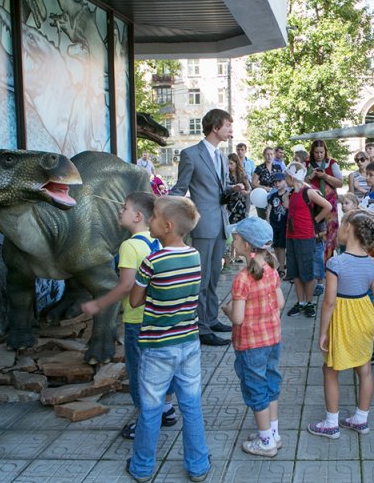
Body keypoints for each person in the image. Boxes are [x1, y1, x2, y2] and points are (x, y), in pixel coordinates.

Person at [80, 192, 178, 441]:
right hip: (161, 318)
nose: (119, 212)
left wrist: (98, 304)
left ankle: (146, 422)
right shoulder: (158, 241)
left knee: (140, 374)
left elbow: (125, 286)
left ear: (137, 216)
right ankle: (166, 409)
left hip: (138, 321)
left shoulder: (129, 245)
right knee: (163, 367)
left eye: (123, 208)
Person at [127, 196, 210, 482]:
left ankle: (141, 467)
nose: (148, 220)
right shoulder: (194, 255)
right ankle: (198, 465)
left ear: (167, 225)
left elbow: (135, 300)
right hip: (188, 342)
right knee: (191, 405)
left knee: (150, 408)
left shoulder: (152, 261)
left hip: (158, 346)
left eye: (153, 217)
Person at [307, 210, 374, 438]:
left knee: (330, 369)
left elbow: (329, 301)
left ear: (349, 228)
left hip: (341, 318)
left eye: (340, 224)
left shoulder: (336, 262)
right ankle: (361, 419)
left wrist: (323, 332)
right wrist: (369, 315)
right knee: (364, 368)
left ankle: (331, 423)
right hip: (363, 316)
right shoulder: (372, 263)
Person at [169, 108, 235, 346]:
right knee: (202, 277)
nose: (231, 130)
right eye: (228, 125)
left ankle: (210, 318)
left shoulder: (220, 156)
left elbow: (221, 190)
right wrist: (159, 204)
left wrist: (234, 191)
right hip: (203, 224)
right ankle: (201, 328)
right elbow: (180, 187)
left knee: (214, 276)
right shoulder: (190, 154)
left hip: (220, 223)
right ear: (215, 127)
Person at [221, 217, 284, 458]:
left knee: (256, 388)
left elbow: (237, 318)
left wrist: (227, 309)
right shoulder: (270, 270)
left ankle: (265, 441)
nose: (233, 241)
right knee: (271, 383)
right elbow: (279, 303)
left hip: (250, 344)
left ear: (247, 245)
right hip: (272, 340)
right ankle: (272, 433)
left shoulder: (243, 278)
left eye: (236, 237)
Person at [285, 162, 332, 318]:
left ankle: (310, 302)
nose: (285, 178)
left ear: (292, 177)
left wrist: (315, 221)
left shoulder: (308, 192)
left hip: (305, 237)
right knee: (295, 272)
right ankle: (301, 302)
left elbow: (327, 206)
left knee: (307, 272)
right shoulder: (292, 192)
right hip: (291, 236)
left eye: (287, 175)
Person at [306, 140, 343, 295]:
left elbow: (340, 183)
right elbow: (302, 182)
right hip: (313, 204)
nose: (319, 155)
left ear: (325, 151)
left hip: (330, 203)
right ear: (312, 152)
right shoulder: (308, 164)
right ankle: (316, 273)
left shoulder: (332, 163)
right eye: (316, 152)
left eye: (321, 152)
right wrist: (311, 176)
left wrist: (325, 176)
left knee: (330, 236)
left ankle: (329, 269)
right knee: (316, 236)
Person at [266, 172, 289, 278]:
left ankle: (282, 268)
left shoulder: (288, 195)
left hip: (284, 224)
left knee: (282, 246)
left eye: (279, 181)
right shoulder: (273, 196)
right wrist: (267, 221)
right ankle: (279, 265)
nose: (277, 183)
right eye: (275, 182)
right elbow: (269, 209)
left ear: (285, 181)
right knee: (275, 246)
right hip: (274, 224)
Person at [252, 147, 285, 220]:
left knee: (275, 218)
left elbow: (282, 181)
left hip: (275, 197)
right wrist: (266, 188)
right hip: (262, 197)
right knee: (263, 219)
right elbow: (253, 183)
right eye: (267, 154)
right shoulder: (259, 168)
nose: (269, 156)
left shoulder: (278, 167)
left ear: (274, 155)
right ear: (264, 155)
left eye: (271, 154)